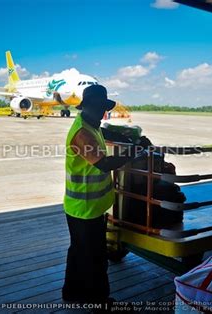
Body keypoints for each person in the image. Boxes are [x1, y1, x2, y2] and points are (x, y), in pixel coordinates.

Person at [62, 85, 149, 306]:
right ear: (88, 106)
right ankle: (100, 303)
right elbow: (104, 164)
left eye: (104, 107)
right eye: (99, 106)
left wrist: (132, 139)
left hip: (87, 206)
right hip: (85, 208)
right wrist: (136, 150)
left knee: (79, 251)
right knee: (95, 257)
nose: (102, 111)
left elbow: (106, 131)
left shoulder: (92, 126)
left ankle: (72, 293)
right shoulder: (82, 133)